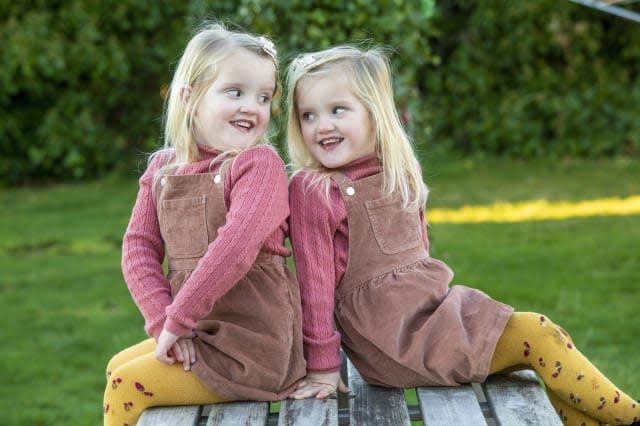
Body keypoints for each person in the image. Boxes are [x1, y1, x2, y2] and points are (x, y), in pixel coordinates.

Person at [284, 45, 639, 426]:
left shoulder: (397, 171)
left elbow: (416, 258)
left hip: (434, 311)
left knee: (538, 343)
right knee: (536, 335)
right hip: (394, 338)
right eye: (308, 115)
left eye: (338, 110)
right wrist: (322, 365)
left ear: (375, 112)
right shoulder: (315, 190)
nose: (322, 126)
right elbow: (315, 286)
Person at [102, 22, 306, 426]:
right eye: (235, 92)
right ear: (190, 96)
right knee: (115, 366)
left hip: (251, 344)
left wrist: (178, 320)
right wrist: (164, 322)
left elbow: (234, 249)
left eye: (264, 97)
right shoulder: (163, 168)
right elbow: (138, 248)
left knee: (127, 384)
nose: (253, 106)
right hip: (197, 331)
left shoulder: (258, 166)